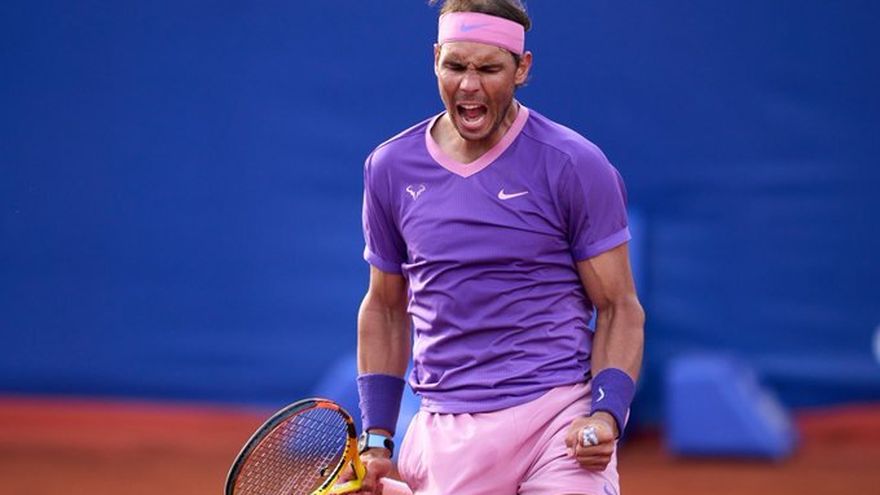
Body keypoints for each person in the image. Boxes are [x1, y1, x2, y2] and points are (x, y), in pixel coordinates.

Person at [351, 1, 644, 493]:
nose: (469, 85)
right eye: (455, 66)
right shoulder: (390, 167)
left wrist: (606, 412)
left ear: (521, 68)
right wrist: (377, 440)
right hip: (448, 431)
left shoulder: (574, 163)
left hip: (557, 422)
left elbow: (619, 305)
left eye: (488, 69)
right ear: (435, 59)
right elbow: (384, 306)